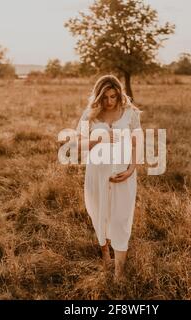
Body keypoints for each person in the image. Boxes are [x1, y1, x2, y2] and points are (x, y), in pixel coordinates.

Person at [75, 74, 143, 281]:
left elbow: (136, 142)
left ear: (119, 94)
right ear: (98, 96)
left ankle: (119, 272)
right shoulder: (90, 115)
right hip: (97, 174)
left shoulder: (130, 113)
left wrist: (132, 169)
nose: (110, 101)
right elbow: (76, 144)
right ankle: (105, 252)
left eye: (113, 96)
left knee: (121, 218)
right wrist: (98, 139)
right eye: (105, 97)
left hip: (123, 174)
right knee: (99, 215)